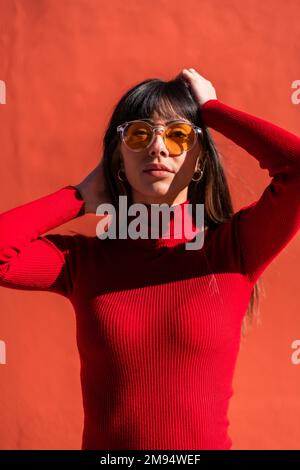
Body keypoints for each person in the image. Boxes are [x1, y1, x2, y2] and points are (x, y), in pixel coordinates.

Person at [0, 68, 299, 450]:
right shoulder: (83, 261)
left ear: (200, 162)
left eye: (178, 135)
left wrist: (211, 108)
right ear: (118, 160)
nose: (157, 147)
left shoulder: (233, 249)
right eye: (139, 135)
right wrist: (79, 196)